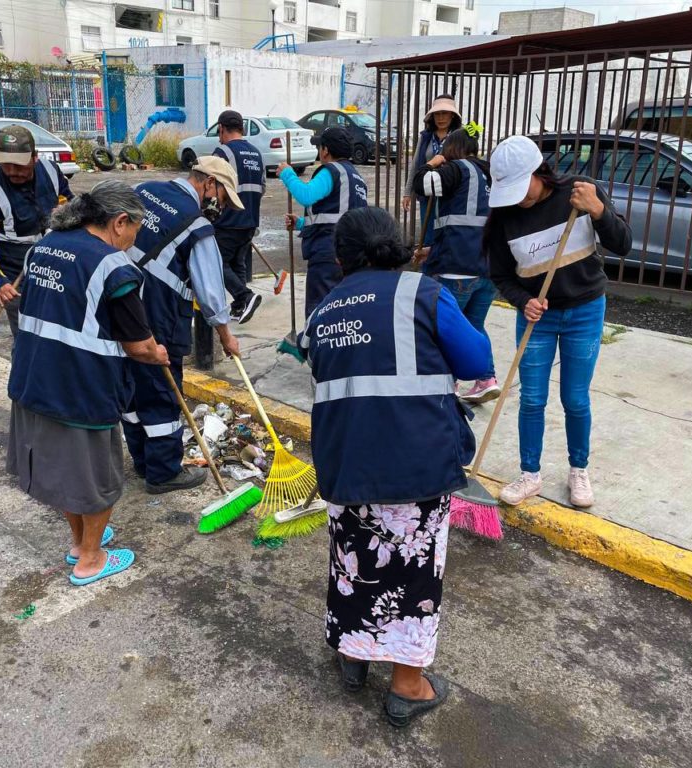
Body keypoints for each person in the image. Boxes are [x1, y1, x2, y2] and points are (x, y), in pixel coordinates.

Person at [299, 206, 492, 728]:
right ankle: (407, 686)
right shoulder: (422, 294)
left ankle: (354, 656)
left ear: (339, 258)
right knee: (412, 569)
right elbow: (477, 364)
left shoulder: (323, 312)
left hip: (345, 463)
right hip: (416, 463)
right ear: (399, 247)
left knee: (354, 559)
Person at [7, 180, 168, 586]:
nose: (135, 239)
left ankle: (81, 541)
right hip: (81, 387)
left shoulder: (44, 245)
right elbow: (139, 346)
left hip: (33, 379)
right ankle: (92, 560)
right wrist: (157, 353)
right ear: (119, 222)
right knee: (97, 479)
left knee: (66, 472)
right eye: (136, 228)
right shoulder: (113, 266)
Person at [487, 135, 633, 509]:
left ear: (539, 172)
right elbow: (501, 276)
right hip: (539, 317)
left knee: (575, 398)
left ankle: (578, 470)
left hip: (585, 310)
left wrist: (599, 211)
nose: (520, 199)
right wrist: (524, 301)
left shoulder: (579, 195)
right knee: (532, 398)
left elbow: (623, 244)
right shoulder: (504, 217)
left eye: (523, 189)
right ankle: (530, 473)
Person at [123, 156, 243, 494]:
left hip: (119, 308)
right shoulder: (197, 226)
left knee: (130, 388)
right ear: (209, 184)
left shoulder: (143, 190)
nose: (220, 205)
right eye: (221, 196)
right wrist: (226, 335)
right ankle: (162, 472)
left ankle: (142, 460)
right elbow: (210, 292)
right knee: (162, 393)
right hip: (159, 316)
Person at [412, 124, 500, 404]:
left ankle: (446, 385)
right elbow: (468, 222)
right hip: (487, 268)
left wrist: (432, 163)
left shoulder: (456, 169)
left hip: (456, 268)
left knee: (447, 330)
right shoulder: (490, 174)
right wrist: (433, 249)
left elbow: (421, 185)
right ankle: (486, 379)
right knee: (474, 326)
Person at [0, 124, 73, 341]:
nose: (13, 171)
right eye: (6, 165)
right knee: (27, 337)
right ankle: (24, 373)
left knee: (59, 330)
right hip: (15, 276)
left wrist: (66, 211)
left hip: (52, 263)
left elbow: (68, 202)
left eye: (19, 165)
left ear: (34, 157)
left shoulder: (51, 171)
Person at [278, 125, 368, 319]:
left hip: (328, 251)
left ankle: (315, 347)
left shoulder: (331, 171)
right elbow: (340, 214)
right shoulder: (356, 177)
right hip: (352, 253)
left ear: (326, 150)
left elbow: (306, 195)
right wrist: (302, 223)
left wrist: (287, 173)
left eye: (320, 147)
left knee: (320, 311)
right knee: (344, 309)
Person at [212, 109, 265, 324]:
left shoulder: (223, 152)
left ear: (222, 129)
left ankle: (245, 296)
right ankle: (239, 307)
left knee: (217, 262)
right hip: (250, 219)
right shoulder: (256, 153)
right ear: (241, 129)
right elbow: (261, 186)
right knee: (238, 262)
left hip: (228, 219)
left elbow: (212, 187)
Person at [401, 95, 463, 249]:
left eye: (445, 113)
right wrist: (408, 192)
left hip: (450, 194)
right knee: (428, 235)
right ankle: (428, 268)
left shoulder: (459, 136)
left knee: (447, 233)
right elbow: (415, 165)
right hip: (428, 194)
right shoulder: (426, 137)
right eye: (437, 114)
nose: (440, 118)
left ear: (452, 115)